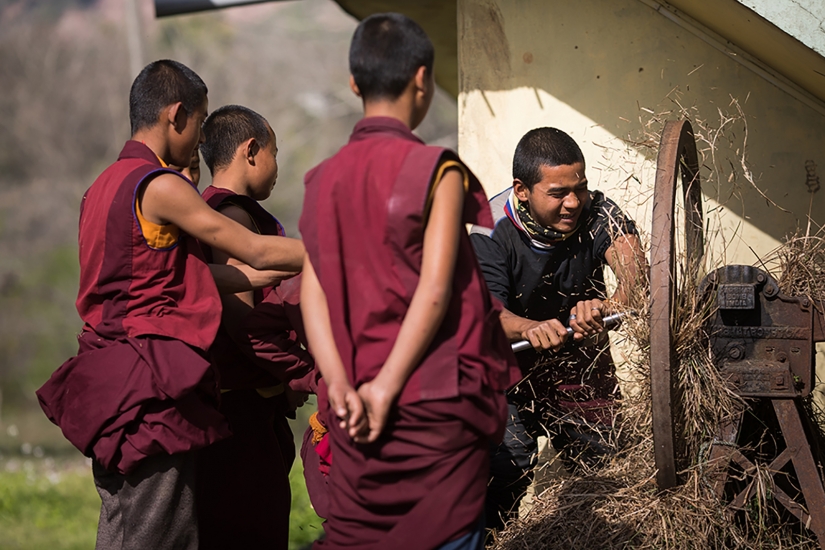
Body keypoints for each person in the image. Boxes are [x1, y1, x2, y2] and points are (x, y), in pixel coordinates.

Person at [35, 60, 305, 550]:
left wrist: (264, 275)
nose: (199, 138)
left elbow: (179, 276)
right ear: (177, 116)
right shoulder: (158, 185)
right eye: (199, 123)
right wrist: (342, 252)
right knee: (161, 535)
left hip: (108, 382)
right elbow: (256, 248)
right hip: (151, 385)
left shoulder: (101, 187)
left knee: (124, 528)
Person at [298, 13, 520, 550]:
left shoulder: (322, 179)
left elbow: (314, 292)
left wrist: (346, 385)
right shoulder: (436, 171)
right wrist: (387, 387)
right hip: (429, 402)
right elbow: (436, 290)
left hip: (355, 406)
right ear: (422, 79)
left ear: (356, 84)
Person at [469, 127, 645, 529]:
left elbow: (641, 283)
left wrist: (606, 307)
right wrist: (531, 328)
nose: (573, 203)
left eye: (580, 188)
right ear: (523, 189)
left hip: (581, 370)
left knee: (610, 475)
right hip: (508, 376)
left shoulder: (601, 214)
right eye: (558, 193)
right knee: (504, 474)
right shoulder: (489, 230)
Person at [195, 104, 316, 550]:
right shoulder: (230, 216)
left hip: (244, 406)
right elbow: (241, 321)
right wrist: (298, 372)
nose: (277, 167)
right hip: (239, 411)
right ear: (251, 151)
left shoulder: (211, 210)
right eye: (275, 152)